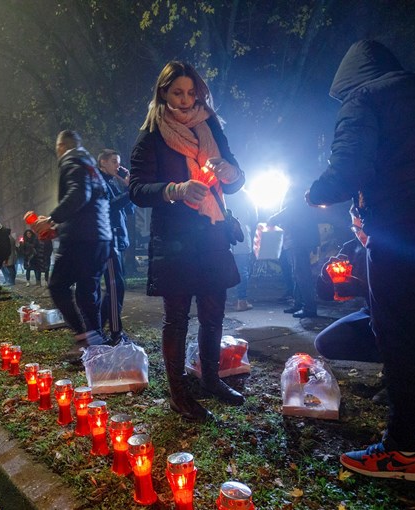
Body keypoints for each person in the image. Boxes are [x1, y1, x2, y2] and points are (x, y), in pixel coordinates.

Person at [305, 40, 415, 481]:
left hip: (401, 228)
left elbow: (347, 168)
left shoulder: (364, 99)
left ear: (348, 80)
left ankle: (400, 451)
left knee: (398, 332)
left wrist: (316, 194)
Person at [129, 61, 246, 422]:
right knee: (176, 319)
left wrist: (231, 172)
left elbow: (236, 175)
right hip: (175, 240)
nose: (184, 99)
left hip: (212, 232)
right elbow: (136, 188)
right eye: (177, 92)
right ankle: (178, 394)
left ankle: (211, 379)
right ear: (163, 92)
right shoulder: (151, 133)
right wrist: (175, 190)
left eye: (191, 92)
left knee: (213, 312)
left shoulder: (210, 124)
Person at [28, 130, 111, 347]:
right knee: (87, 291)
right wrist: (59, 228)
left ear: (61, 147)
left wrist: (52, 219)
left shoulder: (72, 162)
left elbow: (78, 195)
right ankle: (96, 343)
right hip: (100, 239)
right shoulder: (91, 166)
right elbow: (95, 203)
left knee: (57, 285)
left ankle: (84, 336)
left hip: (80, 241)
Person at [314, 206, 379, 363]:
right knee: (325, 342)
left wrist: (362, 287)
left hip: (396, 311)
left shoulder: (387, 248)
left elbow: (397, 294)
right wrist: (325, 277)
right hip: (371, 311)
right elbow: (326, 296)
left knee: (387, 326)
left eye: (364, 229)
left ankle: (397, 368)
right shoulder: (351, 248)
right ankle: (389, 357)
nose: (361, 235)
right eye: (356, 229)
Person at [97, 149, 135, 343]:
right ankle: (115, 332)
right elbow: (109, 206)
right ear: (102, 162)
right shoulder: (99, 182)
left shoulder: (113, 182)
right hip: (108, 240)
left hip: (117, 240)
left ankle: (97, 328)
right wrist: (128, 192)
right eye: (113, 162)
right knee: (115, 286)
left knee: (117, 286)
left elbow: (130, 209)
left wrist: (128, 186)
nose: (117, 166)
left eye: (118, 163)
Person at [267, 192, 320, 318]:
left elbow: (290, 209)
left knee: (302, 274)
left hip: (299, 239)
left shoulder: (295, 190)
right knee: (297, 273)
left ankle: (309, 308)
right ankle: (299, 304)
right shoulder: (299, 188)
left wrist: (273, 219)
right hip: (299, 239)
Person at [225, 187, 258, 312]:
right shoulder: (246, 195)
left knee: (224, 268)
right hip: (241, 234)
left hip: (224, 237)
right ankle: (241, 300)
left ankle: (224, 298)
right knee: (242, 269)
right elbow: (254, 217)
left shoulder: (223, 193)